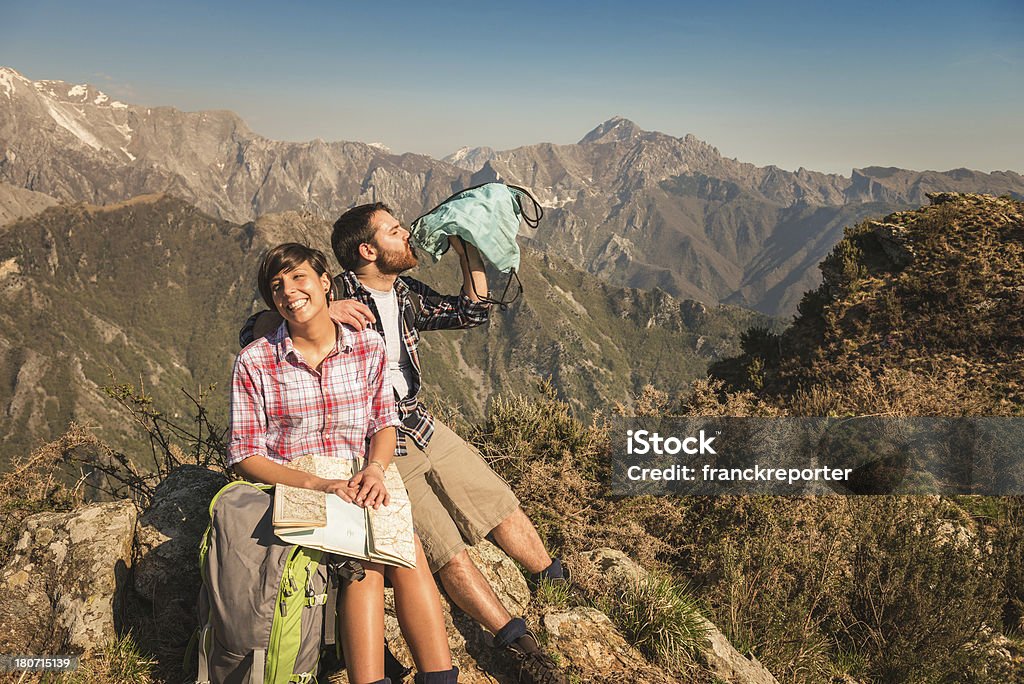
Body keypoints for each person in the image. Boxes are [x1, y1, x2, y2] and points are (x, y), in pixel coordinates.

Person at [242, 205, 569, 684]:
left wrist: (467, 246)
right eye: (396, 231)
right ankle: (516, 642)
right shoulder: (339, 292)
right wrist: (322, 309)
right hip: (380, 440)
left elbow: (473, 310)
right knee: (441, 548)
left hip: (418, 421)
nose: (409, 236)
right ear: (368, 250)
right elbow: (256, 326)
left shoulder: (405, 293)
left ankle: (554, 583)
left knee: (497, 502)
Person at [229, 243, 458, 684]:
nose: (289, 291)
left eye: (299, 278)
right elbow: (245, 455)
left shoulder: (367, 347)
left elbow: (384, 422)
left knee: (407, 551)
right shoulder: (256, 361)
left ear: (324, 284)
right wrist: (317, 484)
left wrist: (375, 469)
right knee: (367, 563)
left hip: (361, 471)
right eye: (277, 286)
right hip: (297, 479)